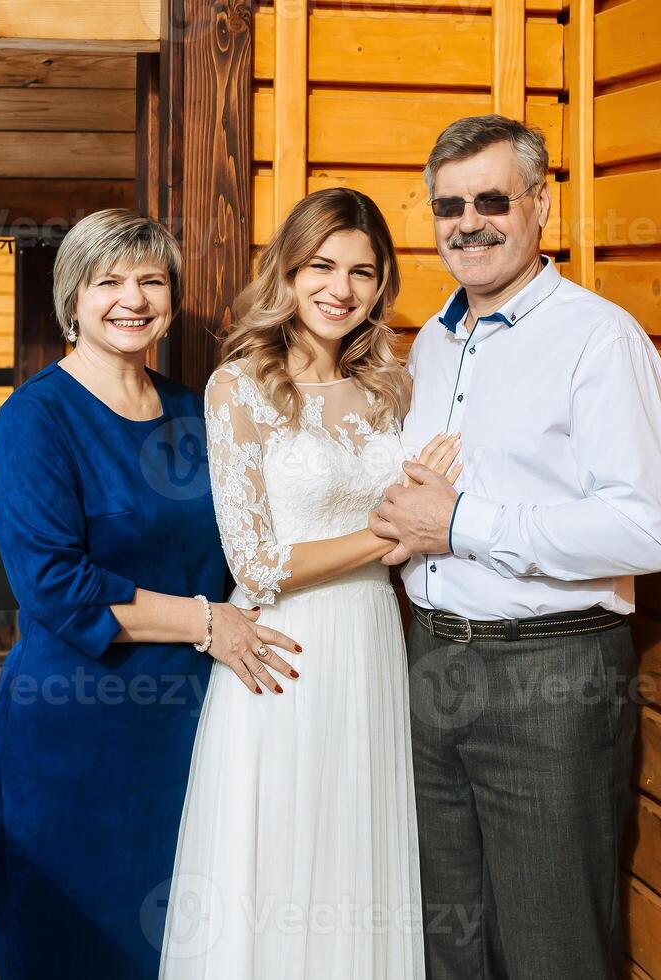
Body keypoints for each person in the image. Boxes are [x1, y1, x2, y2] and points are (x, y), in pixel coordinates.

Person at [371, 114, 661, 979]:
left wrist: (459, 523)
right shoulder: (430, 343)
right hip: (430, 660)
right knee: (450, 943)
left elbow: (643, 529)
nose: (468, 222)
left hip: (550, 676)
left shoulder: (598, 340)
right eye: (448, 206)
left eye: (492, 200)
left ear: (541, 205)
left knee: (552, 948)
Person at [0, 209, 299, 979]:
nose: (132, 299)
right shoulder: (36, 418)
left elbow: (247, 548)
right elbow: (55, 586)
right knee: (78, 950)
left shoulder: (196, 412)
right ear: (74, 300)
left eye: (151, 281)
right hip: (73, 740)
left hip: (191, 731)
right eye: (108, 282)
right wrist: (205, 622)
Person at [159, 187, 459, 978]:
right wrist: (391, 535)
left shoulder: (391, 383)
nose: (341, 289)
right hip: (284, 652)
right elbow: (256, 563)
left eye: (363, 271)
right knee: (284, 857)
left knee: (357, 852)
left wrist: (419, 523)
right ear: (287, 272)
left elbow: (417, 498)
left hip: (370, 647)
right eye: (321, 265)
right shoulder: (239, 388)